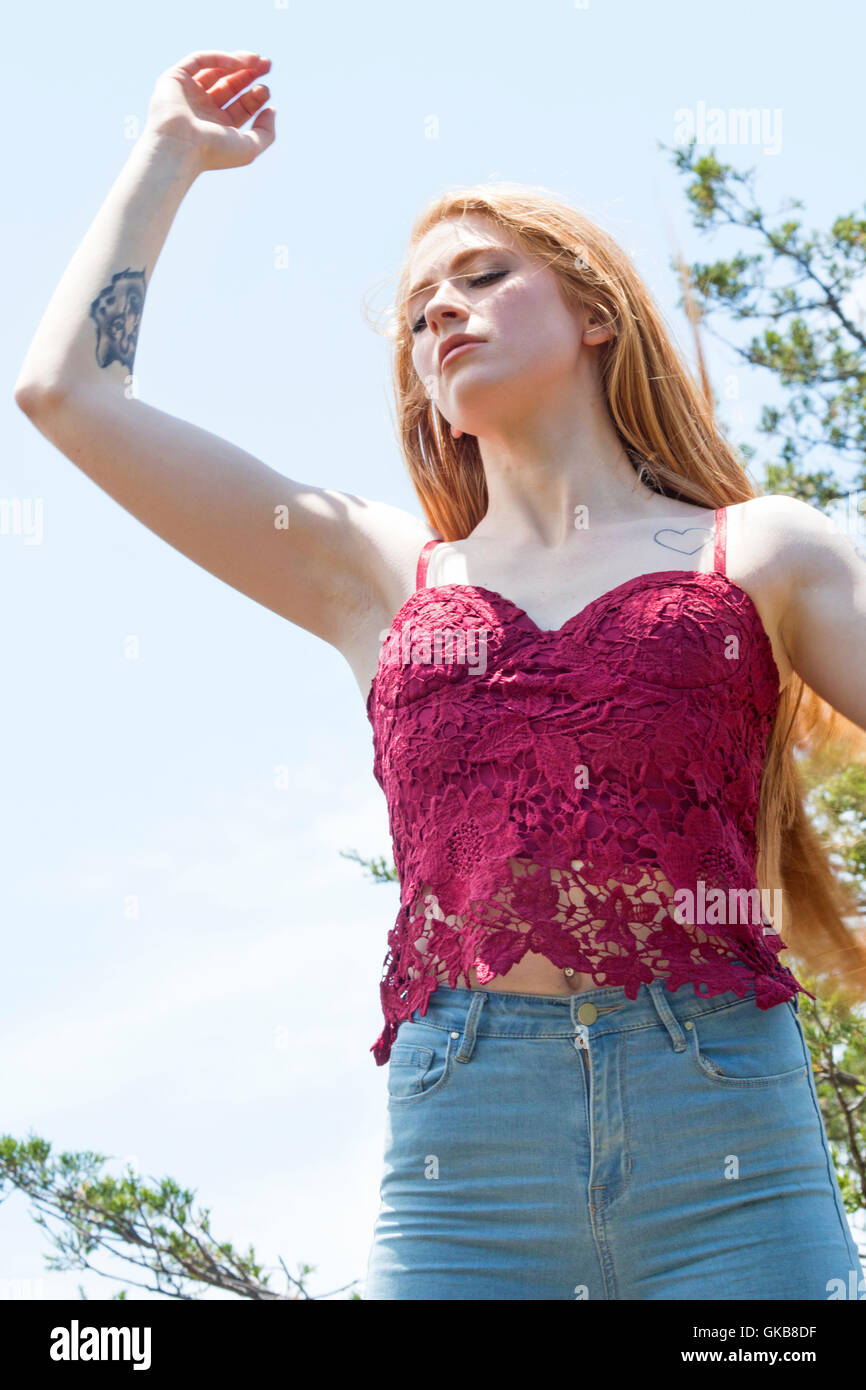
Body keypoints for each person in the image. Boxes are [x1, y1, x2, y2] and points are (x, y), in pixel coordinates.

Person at [14, 48, 866, 1301]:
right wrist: (169, 152)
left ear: (592, 312)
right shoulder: (376, 571)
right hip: (466, 1162)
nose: (442, 314)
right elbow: (66, 393)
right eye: (420, 312)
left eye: (482, 276)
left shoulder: (761, 550)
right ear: (430, 394)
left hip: (728, 1139)